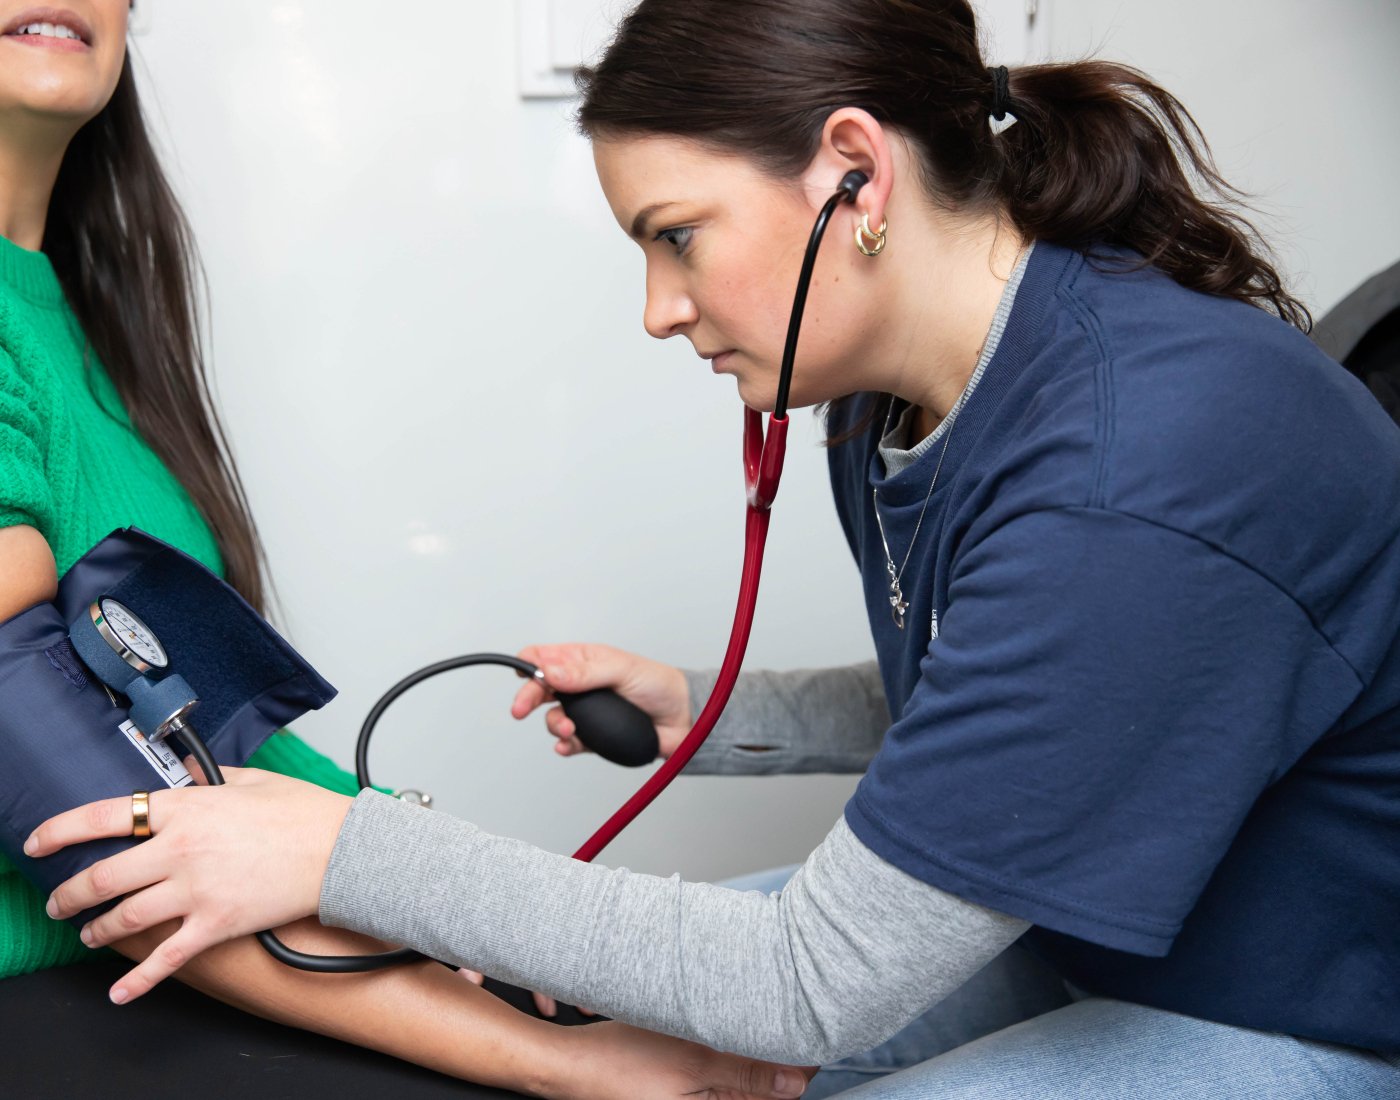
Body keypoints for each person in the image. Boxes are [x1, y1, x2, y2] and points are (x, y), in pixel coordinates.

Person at [27, 0, 1400, 1096]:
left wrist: (341, 849)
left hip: (1305, 1000)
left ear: (854, 175)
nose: (658, 309)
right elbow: (1052, 695)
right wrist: (722, 714)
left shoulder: (1140, 464)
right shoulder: (905, 390)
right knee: (631, 1021)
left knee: (738, 1028)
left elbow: (810, 982)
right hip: (1087, 925)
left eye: (678, 238)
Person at [0, 3, 811, 1096]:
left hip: (159, 964)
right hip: (66, 978)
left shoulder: (81, 311)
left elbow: (202, 754)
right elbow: (77, 799)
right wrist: (573, 1060)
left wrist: (471, 915)